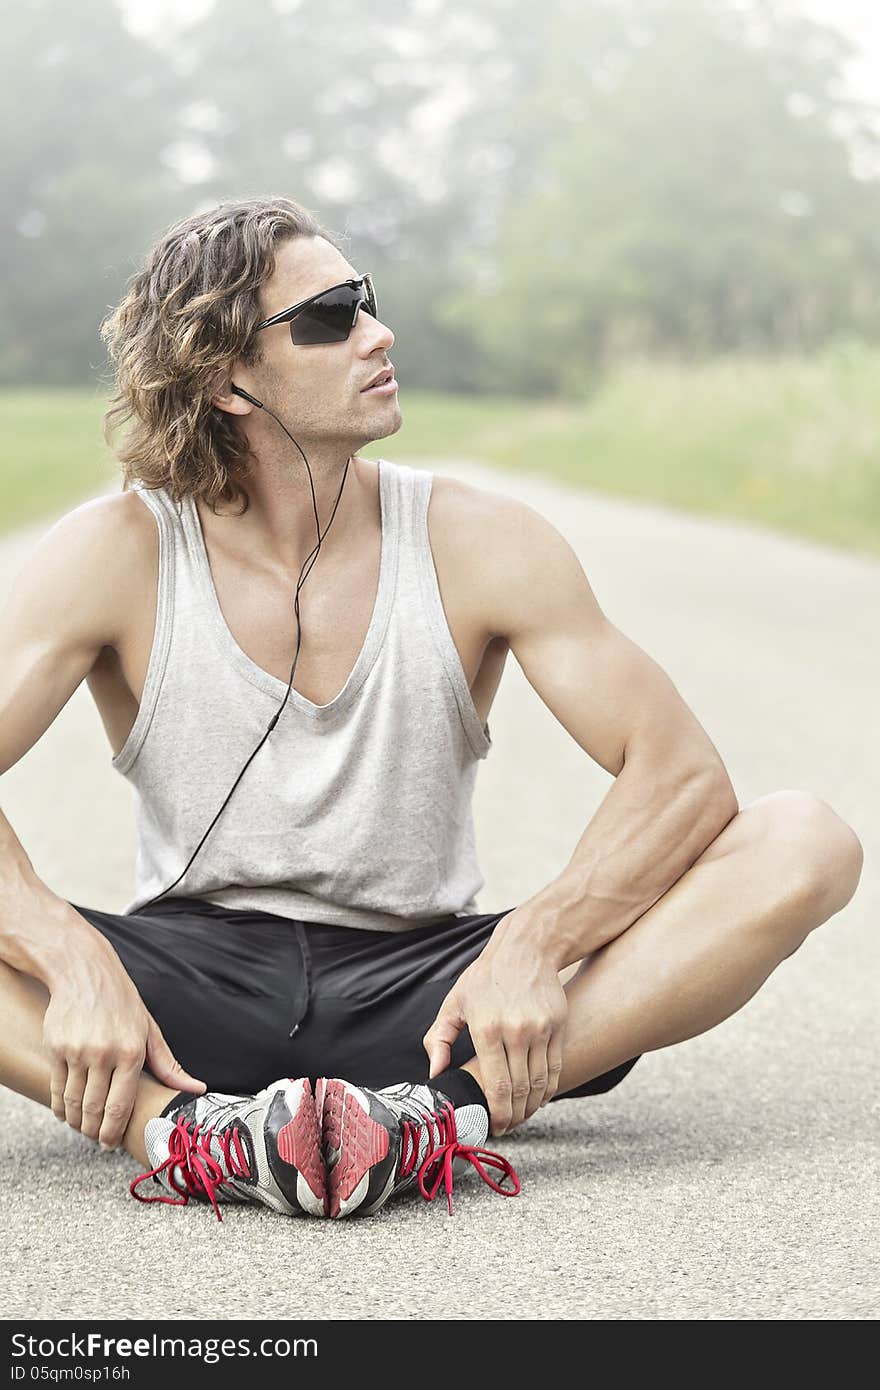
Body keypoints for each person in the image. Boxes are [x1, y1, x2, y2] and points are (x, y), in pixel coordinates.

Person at [0, 196, 864, 1224]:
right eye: (329, 317)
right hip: (186, 993)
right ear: (227, 377)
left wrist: (534, 947)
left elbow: (678, 777)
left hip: (430, 998)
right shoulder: (115, 552)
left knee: (804, 840)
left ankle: (434, 1123)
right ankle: (181, 1134)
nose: (378, 333)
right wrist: (68, 956)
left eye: (366, 303)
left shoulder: (477, 538)